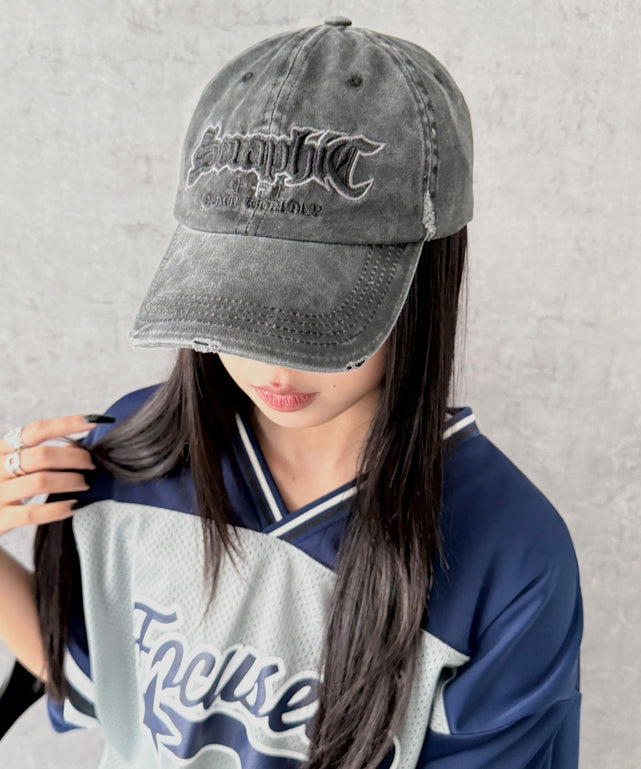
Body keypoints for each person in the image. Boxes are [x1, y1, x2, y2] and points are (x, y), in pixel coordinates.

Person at [0, 17, 582, 769]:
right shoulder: (128, 458)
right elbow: (101, 686)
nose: (270, 363)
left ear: (426, 277)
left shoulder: (508, 553)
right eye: (234, 305)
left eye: (312, 311)